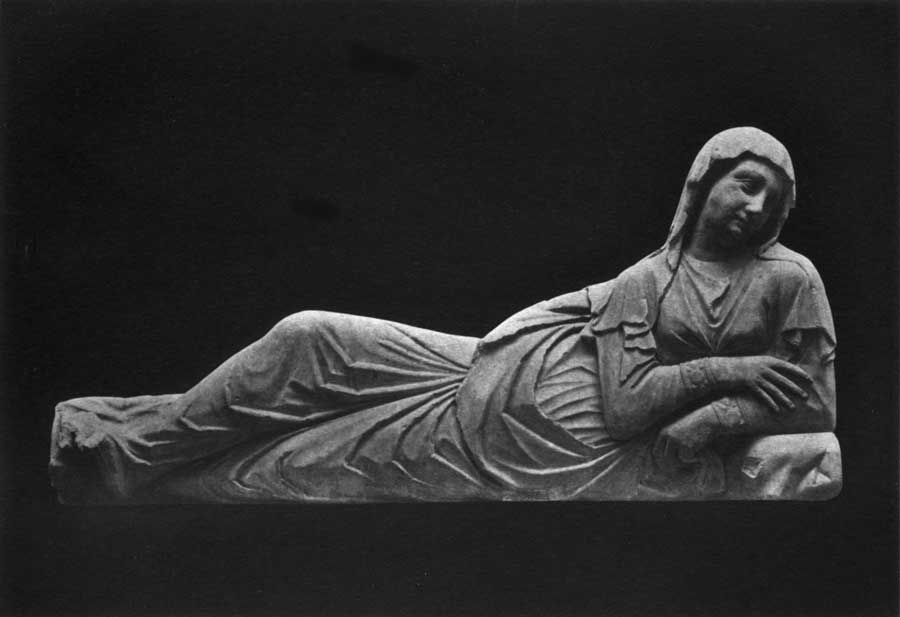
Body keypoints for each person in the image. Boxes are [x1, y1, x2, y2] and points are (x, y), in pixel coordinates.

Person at [50, 127, 841, 503]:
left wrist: (711, 421)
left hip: (544, 454)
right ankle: (132, 442)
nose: (755, 205)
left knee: (295, 466)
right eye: (744, 183)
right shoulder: (646, 279)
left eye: (771, 198)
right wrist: (733, 370)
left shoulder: (789, 279)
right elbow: (631, 399)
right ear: (703, 184)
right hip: (487, 372)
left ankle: (123, 465)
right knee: (308, 337)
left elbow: (814, 400)